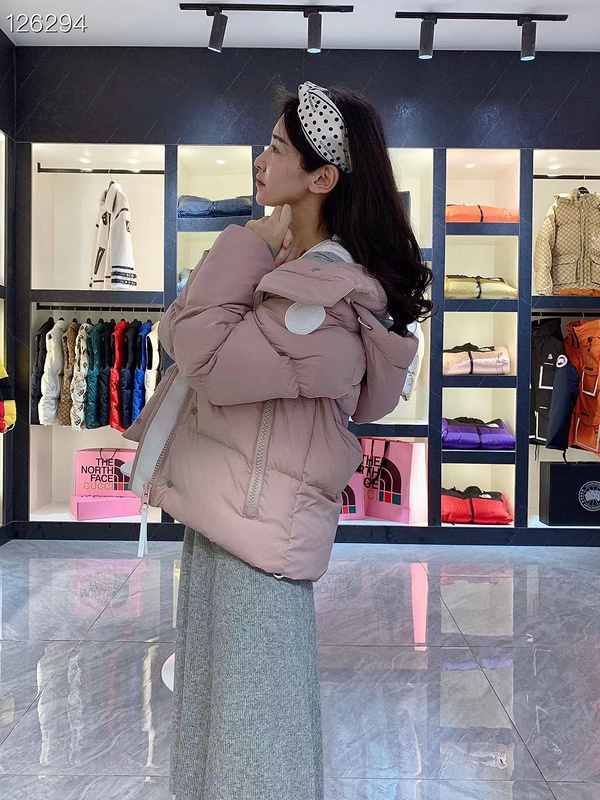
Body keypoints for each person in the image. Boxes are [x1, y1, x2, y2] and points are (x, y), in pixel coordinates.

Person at [124, 80, 432, 800]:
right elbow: (177, 332)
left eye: (276, 148)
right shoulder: (289, 273)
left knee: (253, 741)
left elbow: (201, 357)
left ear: (321, 178)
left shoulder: (322, 296)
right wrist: (257, 249)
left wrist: (245, 242)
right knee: (224, 723)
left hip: (257, 535)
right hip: (233, 515)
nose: (260, 160)